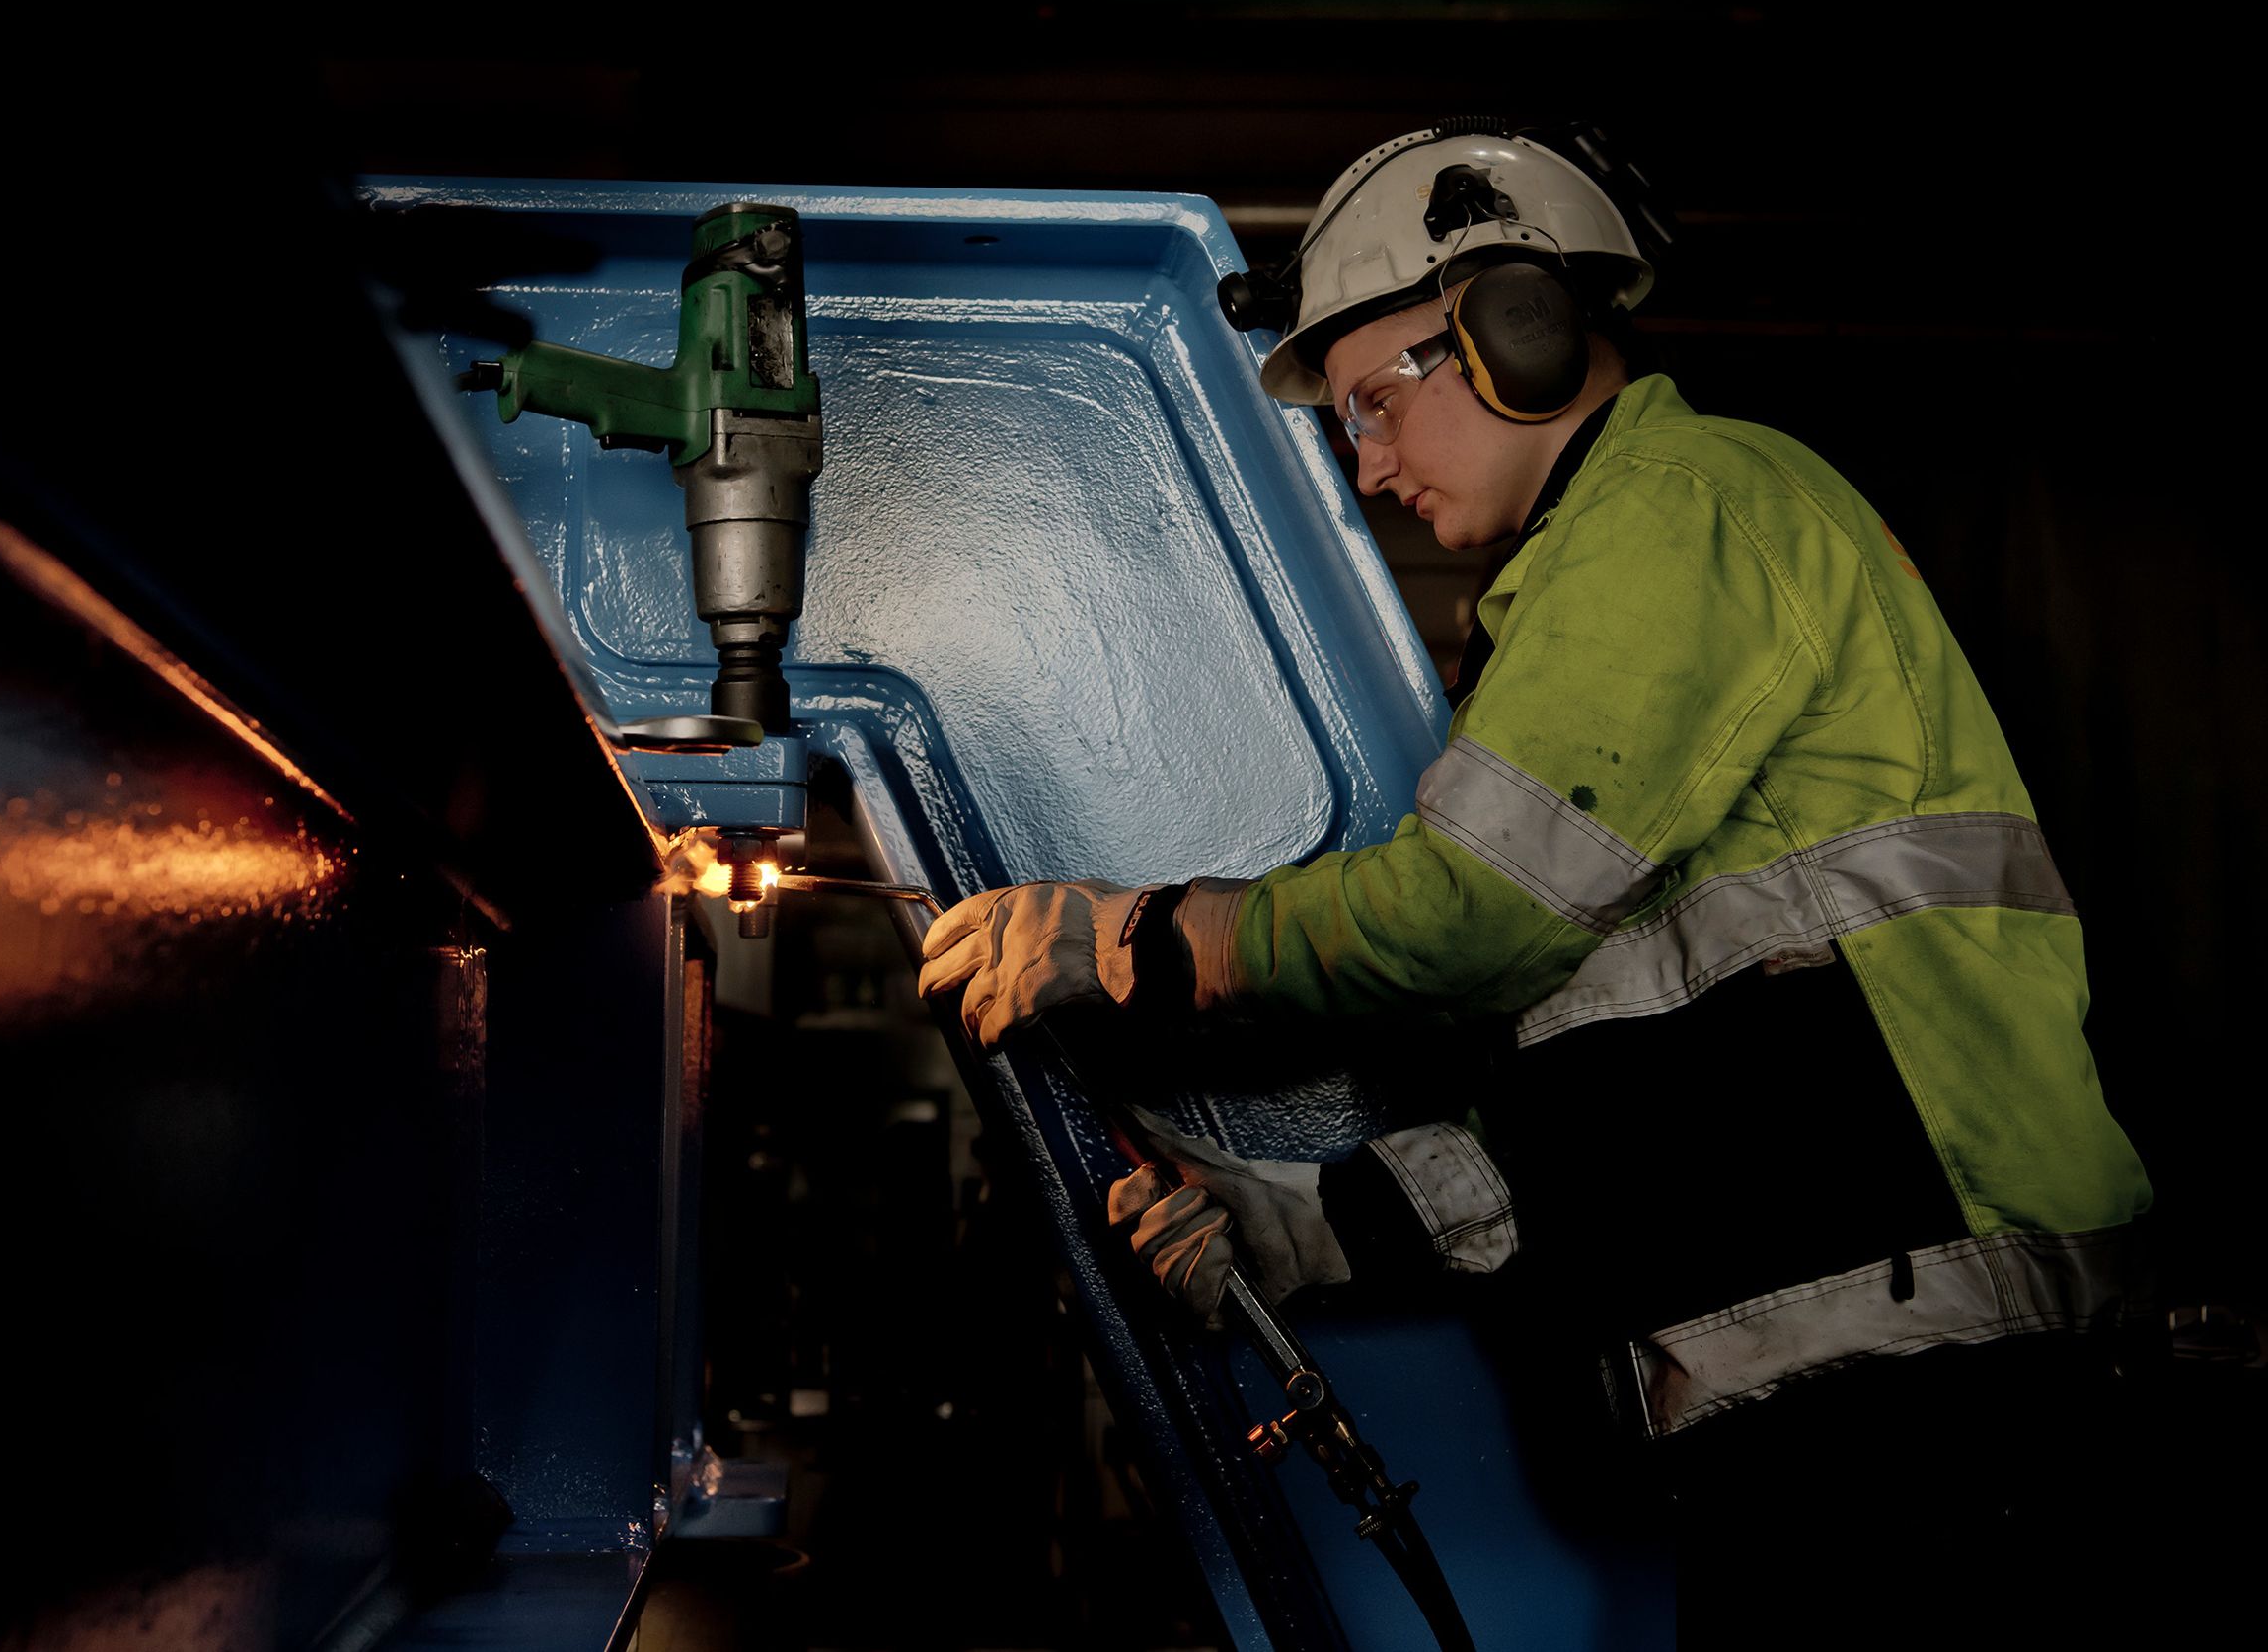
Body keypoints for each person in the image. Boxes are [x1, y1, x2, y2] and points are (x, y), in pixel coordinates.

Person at [916, 120, 2154, 1632]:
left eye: (1375, 401)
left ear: (1518, 330)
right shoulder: (1586, 611)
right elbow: (1616, 1104)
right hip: (1850, 1403)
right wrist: (1295, 1229)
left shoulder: (1679, 510)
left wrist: (1138, 938)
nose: (1367, 465)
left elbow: (1467, 917)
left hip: (1936, 1414)